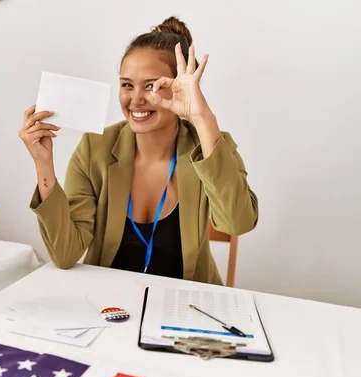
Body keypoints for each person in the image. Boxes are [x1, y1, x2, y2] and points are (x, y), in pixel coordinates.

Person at [18, 16, 258, 285]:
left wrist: (202, 117)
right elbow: (65, 254)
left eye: (152, 85)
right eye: (127, 84)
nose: (136, 99)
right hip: (108, 307)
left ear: (178, 88)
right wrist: (43, 164)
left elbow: (237, 224)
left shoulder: (208, 148)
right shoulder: (94, 149)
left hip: (186, 308)